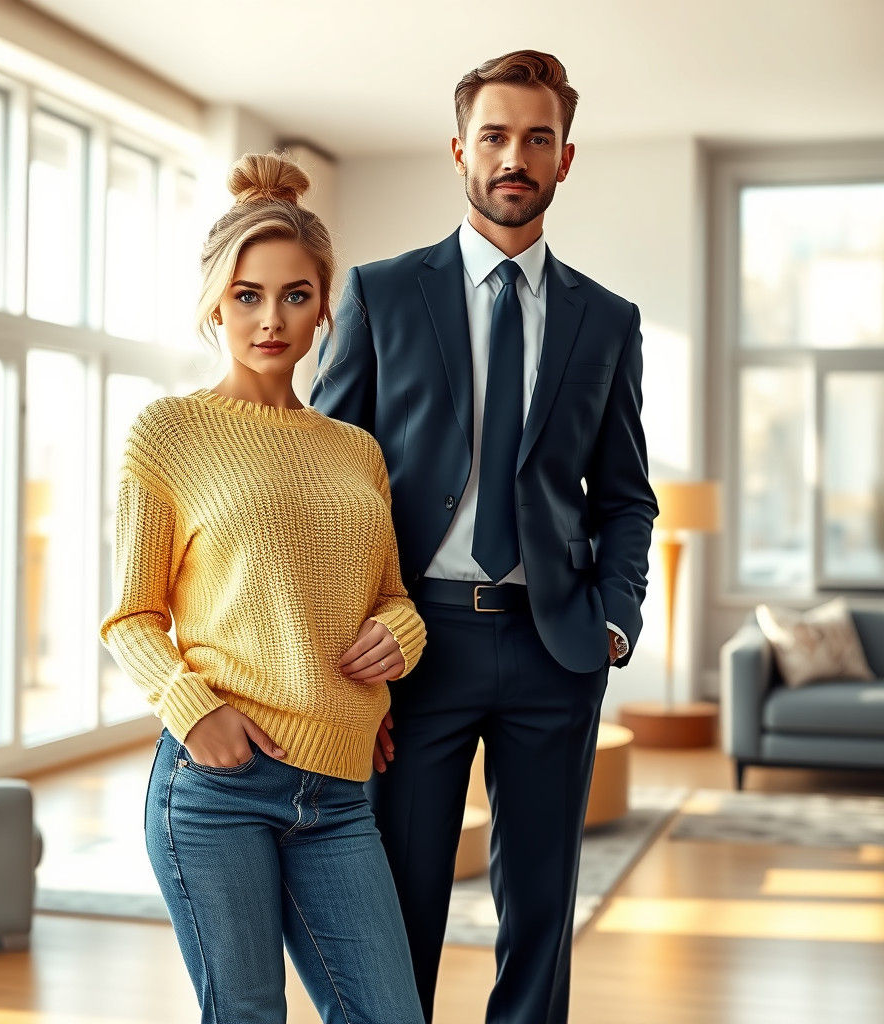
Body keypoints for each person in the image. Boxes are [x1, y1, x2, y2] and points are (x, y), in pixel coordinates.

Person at [312, 50, 659, 1024]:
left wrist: (612, 622)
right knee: (402, 897)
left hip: (556, 646)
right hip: (416, 643)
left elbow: (625, 497)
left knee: (540, 908)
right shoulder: (382, 295)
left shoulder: (606, 321)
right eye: (496, 136)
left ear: (565, 158)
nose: (515, 156)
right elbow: (342, 488)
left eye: (536, 139)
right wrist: (355, 653)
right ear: (459, 150)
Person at [100, 152, 427, 1024]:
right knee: (247, 1015)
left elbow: (391, 594)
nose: (270, 318)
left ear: (325, 305)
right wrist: (191, 707)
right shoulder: (168, 431)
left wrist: (405, 635)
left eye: (294, 294)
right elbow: (130, 616)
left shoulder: (354, 448)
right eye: (247, 294)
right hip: (217, 785)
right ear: (215, 301)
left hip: (341, 790)